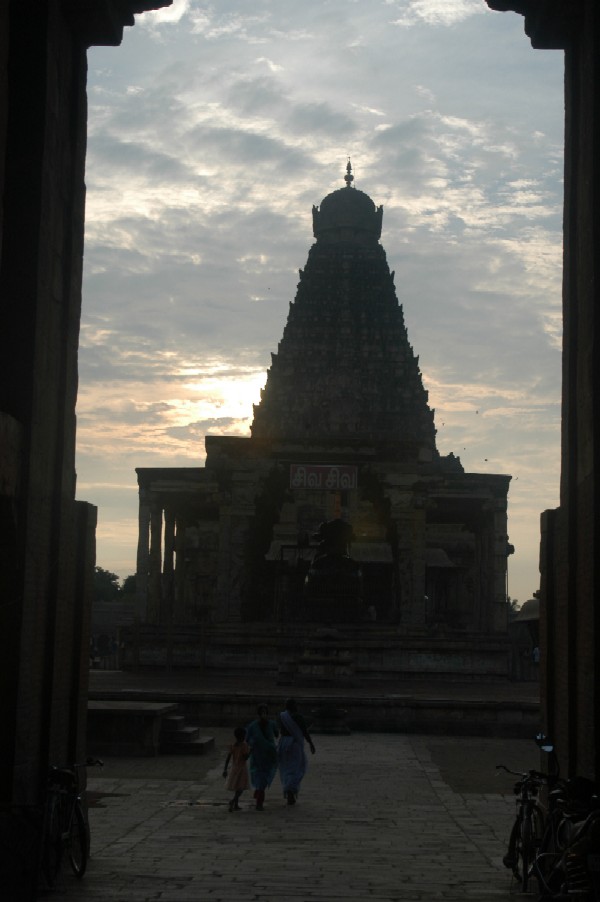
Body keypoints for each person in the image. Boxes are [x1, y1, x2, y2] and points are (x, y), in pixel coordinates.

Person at [277, 697, 315, 806]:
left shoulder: (281, 717)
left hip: (283, 743)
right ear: (294, 706)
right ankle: (290, 791)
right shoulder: (298, 717)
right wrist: (311, 743)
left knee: (286, 769)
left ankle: (289, 790)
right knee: (296, 768)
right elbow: (304, 731)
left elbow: (279, 730)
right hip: (294, 744)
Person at [245, 704, 279, 811]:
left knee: (263, 779)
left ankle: (259, 793)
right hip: (257, 756)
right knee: (260, 779)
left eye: (265, 712)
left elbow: (277, 734)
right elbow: (247, 739)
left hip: (269, 756)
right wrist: (254, 742)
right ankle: (259, 803)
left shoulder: (272, 724)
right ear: (259, 714)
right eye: (262, 712)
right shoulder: (252, 726)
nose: (263, 714)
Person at [222, 726, 250, 812]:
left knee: (237, 787)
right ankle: (233, 801)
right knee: (240, 788)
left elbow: (228, 758)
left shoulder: (233, 745)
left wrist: (225, 769)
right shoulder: (244, 745)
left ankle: (236, 804)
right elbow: (245, 758)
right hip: (241, 769)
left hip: (234, 768)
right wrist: (251, 751)